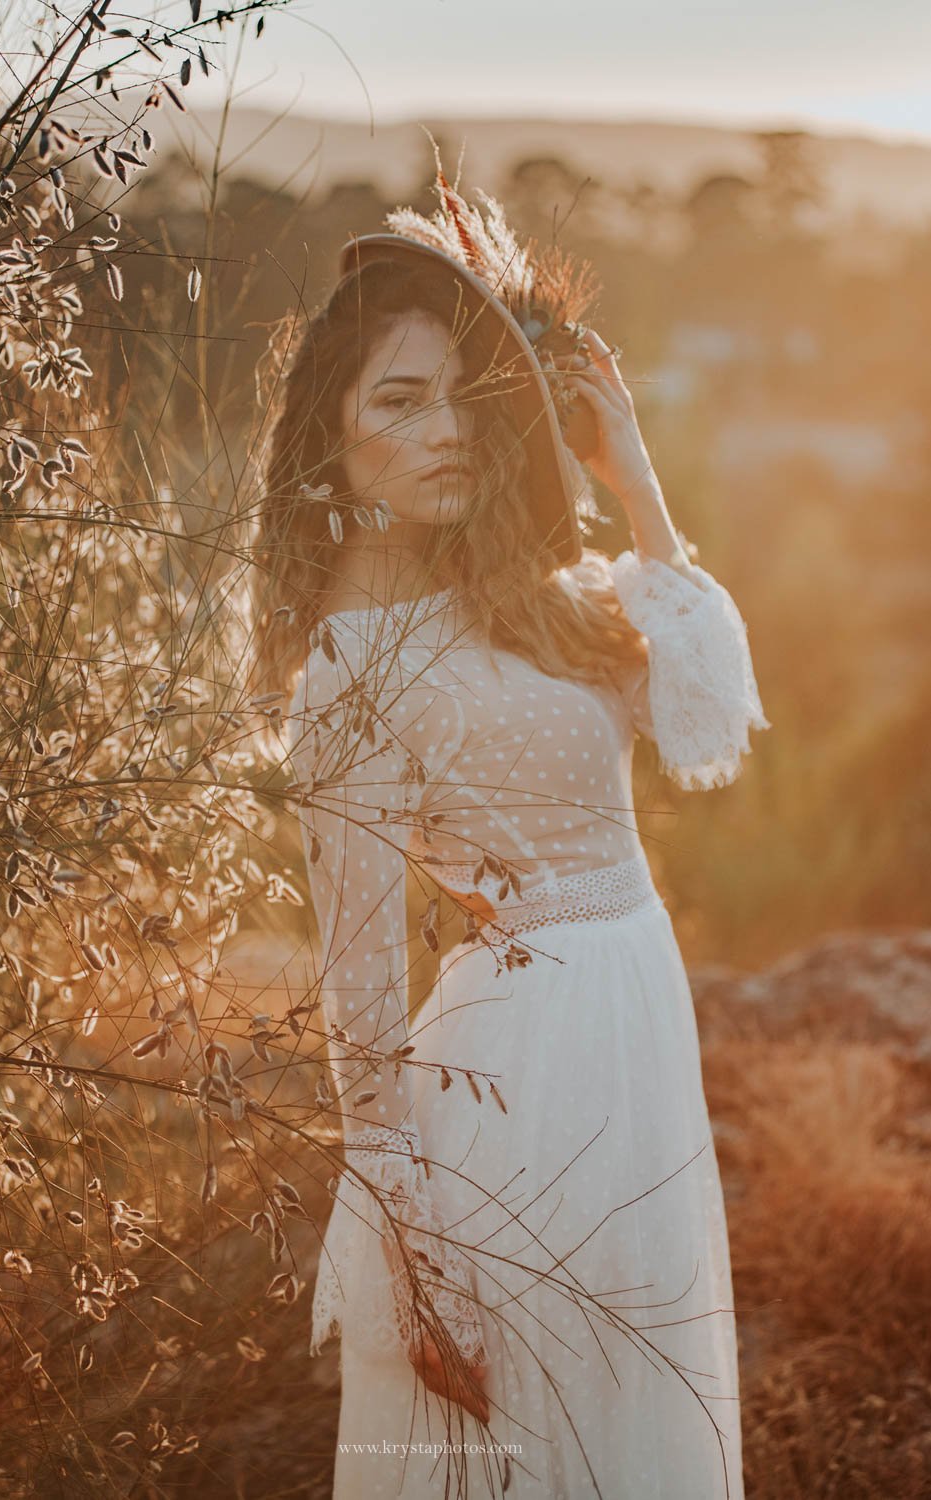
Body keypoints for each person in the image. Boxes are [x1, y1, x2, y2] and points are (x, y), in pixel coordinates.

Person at [251, 169, 770, 1500]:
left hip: (633, 1037)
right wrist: (419, 1274)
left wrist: (634, 475)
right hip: (515, 1077)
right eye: (395, 400)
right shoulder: (346, 685)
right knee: (527, 1439)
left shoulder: (535, 599)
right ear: (331, 431)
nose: (441, 435)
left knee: (633, 1408)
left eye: (459, 400)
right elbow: (358, 1011)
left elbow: (705, 721)